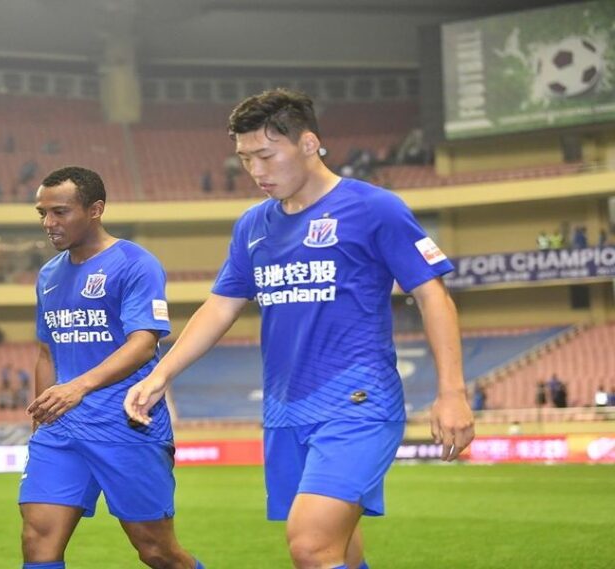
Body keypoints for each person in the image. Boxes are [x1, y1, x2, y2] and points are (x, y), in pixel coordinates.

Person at [125, 89, 474, 569]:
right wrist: (160, 375)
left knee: (310, 545)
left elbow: (433, 295)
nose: (256, 171)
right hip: (285, 410)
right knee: (339, 549)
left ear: (309, 144)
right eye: (245, 159)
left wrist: (452, 392)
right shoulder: (253, 226)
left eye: (266, 156)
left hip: (358, 402)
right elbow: (221, 307)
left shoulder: (374, 208)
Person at [20, 166, 203, 569]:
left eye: (60, 212)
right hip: (62, 431)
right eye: (42, 213)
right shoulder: (49, 275)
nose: (48, 223)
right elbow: (47, 353)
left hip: (126, 424)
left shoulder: (135, 264)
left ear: (96, 209)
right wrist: (40, 425)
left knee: (157, 552)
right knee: (38, 543)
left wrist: (79, 387)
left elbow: (143, 344)